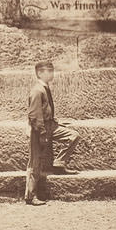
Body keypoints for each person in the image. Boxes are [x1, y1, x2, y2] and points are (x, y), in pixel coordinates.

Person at [25, 61, 80, 206]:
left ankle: (59, 163)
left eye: (52, 70)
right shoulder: (37, 90)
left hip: (51, 126)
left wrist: (56, 123)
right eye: (48, 71)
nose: (51, 73)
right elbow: (34, 115)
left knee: (73, 136)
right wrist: (42, 134)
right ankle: (30, 196)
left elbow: (45, 110)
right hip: (39, 130)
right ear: (39, 73)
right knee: (35, 163)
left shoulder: (45, 88)